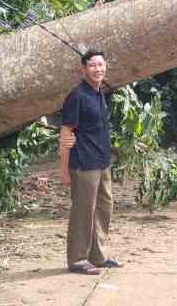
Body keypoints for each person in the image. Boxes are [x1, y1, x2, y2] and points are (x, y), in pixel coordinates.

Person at [57, 50, 122, 275]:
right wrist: (64, 170)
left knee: (104, 207)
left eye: (101, 65)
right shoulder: (77, 96)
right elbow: (66, 135)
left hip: (102, 161)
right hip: (84, 164)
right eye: (93, 65)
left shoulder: (99, 92)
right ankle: (77, 259)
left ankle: (98, 255)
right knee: (83, 211)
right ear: (83, 68)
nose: (98, 69)